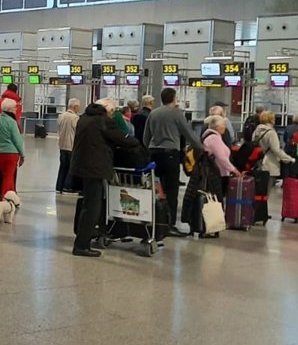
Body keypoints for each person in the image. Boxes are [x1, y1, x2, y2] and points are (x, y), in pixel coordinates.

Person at [69, 98, 139, 257]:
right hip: (95, 168)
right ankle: (82, 245)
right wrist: (135, 143)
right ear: (108, 110)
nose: (113, 115)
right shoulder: (103, 120)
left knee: (87, 205)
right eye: (112, 112)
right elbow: (123, 138)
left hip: (81, 166)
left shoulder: (84, 118)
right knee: (92, 208)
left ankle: (84, 238)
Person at [141, 87, 203, 237]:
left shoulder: (153, 113)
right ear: (174, 98)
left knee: (157, 189)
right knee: (171, 190)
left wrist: (150, 149)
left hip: (154, 155)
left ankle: (156, 221)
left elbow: (145, 136)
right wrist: (201, 147)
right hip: (170, 155)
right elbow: (188, 133)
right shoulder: (177, 113)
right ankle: (169, 224)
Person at [251, 111, 295, 221]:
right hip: (270, 163)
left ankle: (255, 212)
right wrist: (289, 159)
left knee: (258, 190)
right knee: (266, 191)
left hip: (258, 162)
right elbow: (276, 149)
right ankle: (261, 213)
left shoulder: (257, 131)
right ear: (270, 119)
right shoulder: (271, 132)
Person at [202, 114, 241, 197]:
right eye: (223, 125)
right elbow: (221, 158)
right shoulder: (214, 138)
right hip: (218, 173)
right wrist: (233, 169)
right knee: (218, 198)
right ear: (217, 127)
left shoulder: (212, 136)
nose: (225, 127)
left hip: (217, 172)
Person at [0, 98, 25, 198]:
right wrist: (23, 154)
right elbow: (17, 140)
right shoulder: (11, 122)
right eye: (15, 107)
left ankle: (12, 196)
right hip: (11, 153)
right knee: (8, 177)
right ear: (10, 109)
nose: (16, 109)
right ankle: (5, 198)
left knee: (6, 175)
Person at [55, 99, 81, 193]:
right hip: (71, 145)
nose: (79, 109)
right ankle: (67, 187)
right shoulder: (75, 118)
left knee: (63, 166)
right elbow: (78, 132)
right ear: (75, 107)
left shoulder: (61, 116)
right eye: (78, 107)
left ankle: (59, 186)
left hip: (62, 145)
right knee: (71, 167)